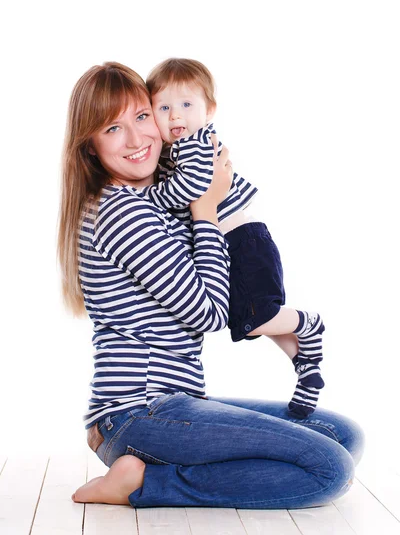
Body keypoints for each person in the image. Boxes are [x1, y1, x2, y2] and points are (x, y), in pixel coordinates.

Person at [58, 61, 364, 509]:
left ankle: (146, 468)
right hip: (140, 412)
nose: (136, 139)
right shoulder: (121, 213)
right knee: (329, 470)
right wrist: (206, 207)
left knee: (342, 436)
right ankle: (145, 486)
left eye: (143, 117)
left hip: (170, 404)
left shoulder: (151, 197)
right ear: (90, 146)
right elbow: (209, 313)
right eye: (112, 129)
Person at [145, 58, 324, 418]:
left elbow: (195, 188)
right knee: (244, 317)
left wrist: (150, 199)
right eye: (163, 107)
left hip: (242, 242)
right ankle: (306, 366)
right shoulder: (172, 150)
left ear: (209, 111)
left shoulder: (196, 144)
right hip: (233, 241)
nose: (175, 116)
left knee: (252, 317)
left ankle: (308, 324)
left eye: (186, 105)